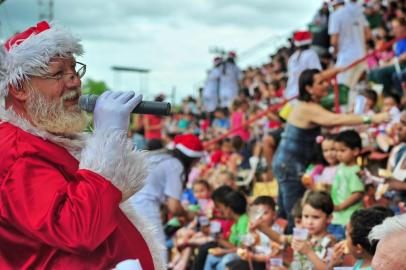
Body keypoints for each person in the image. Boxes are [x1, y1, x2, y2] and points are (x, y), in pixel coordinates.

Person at [0, 21, 162, 269]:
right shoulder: (16, 151)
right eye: (58, 74)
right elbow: (77, 228)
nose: (74, 82)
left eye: (75, 70)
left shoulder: (43, 137)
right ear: (20, 88)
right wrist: (107, 138)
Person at [271, 68, 389, 233]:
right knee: (295, 214)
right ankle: (296, 252)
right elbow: (335, 120)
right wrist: (371, 118)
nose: (326, 84)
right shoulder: (307, 108)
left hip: (286, 163)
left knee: (286, 210)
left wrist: (338, 69)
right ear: (309, 88)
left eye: (325, 81)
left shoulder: (307, 105)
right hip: (289, 165)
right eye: (321, 82)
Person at [130, 133, 204, 264]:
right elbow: (174, 206)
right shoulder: (176, 165)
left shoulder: (162, 157)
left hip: (131, 203)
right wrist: (188, 214)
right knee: (159, 254)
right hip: (145, 206)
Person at [329, 130, 365, 241]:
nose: (338, 154)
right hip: (336, 217)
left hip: (347, 219)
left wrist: (340, 206)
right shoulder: (341, 167)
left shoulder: (354, 171)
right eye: (336, 150)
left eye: (342, 150)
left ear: (355, 151)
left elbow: (358, 193)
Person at [328, 0, 370, 91]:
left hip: (346, 58)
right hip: (361, 57)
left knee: (341, 89)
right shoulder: (359, 13)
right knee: (353, 88)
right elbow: (368, 35)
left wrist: (334, 55)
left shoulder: (335, 15)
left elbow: (334, 41)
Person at [285, 30, 322, 100]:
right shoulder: (310, 54)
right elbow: (317, 75)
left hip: (291, 95)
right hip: (303, 95)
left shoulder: (292, 58)